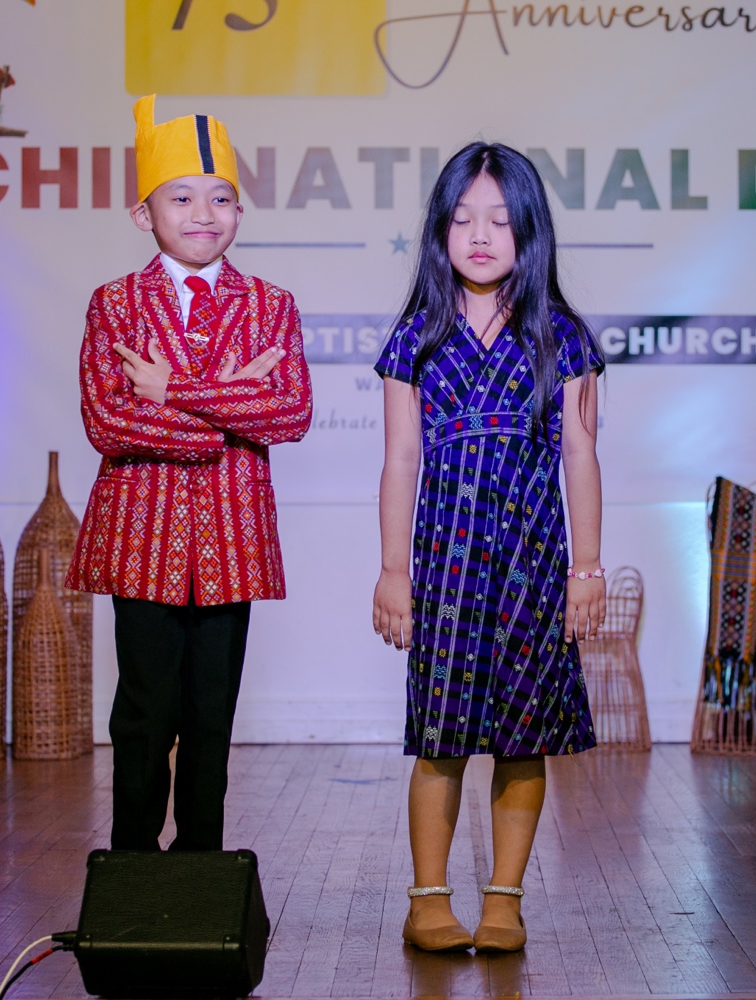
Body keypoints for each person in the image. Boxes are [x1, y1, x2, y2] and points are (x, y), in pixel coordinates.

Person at [371, 142, 606, 953]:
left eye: (501, 221)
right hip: (444, 568)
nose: (480, 235)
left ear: (529, 232)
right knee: (438, 740)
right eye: (463, 219)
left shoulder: (561, 337)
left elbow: (581, 455)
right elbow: (400, 459)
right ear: (439, 231)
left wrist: (586, 569)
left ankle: (505, 900)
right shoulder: (416, 339)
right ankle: (428, 900)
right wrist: (393, 572)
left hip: (532, 567)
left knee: (524, 736)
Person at [67, 95, 312, 852]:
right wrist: (228, 411)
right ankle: (133, 866)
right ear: (143, 213)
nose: (203, 214)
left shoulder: (270, 305)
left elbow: (290, 413)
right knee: (144, 713)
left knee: (212, 714)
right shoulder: (115, 304)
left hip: (232, 539)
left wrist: (173, 391)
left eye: (221, 199)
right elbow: (109, 422)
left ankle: (203, 863)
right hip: (142, 538)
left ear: (240, 211)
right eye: (181, 198)